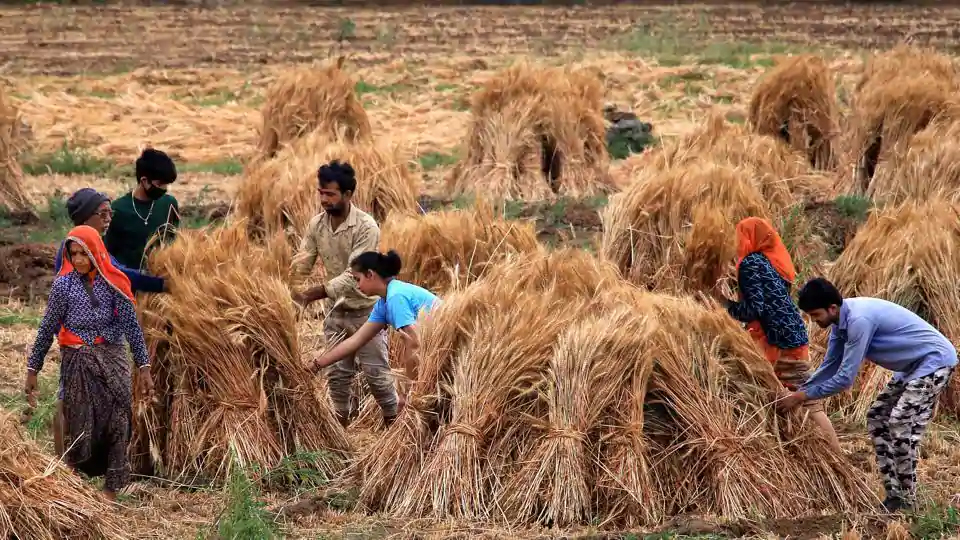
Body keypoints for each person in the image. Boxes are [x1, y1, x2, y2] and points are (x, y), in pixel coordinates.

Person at [787, 277, 957, 512]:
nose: (815, 322)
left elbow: (845, 379)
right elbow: (831, 365)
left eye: (816, 315)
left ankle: (908, 499)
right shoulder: (839, 324)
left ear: (832, 308)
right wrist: (803, 388)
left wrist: (803, 398)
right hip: (912, 367)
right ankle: (893, 495)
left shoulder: (859, 320)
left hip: (934, 361)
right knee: (877, 416)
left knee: (899, 422)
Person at [24, 225, 154, 501]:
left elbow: (131, 327)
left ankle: (111, 487)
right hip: (78, 362)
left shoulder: (114, 285)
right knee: (80, 421)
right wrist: (32, 369)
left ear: (96, 252)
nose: (80, 259)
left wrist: (144, 367)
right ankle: (74, 482)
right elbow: (48, 327)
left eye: (85, 253)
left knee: (119, 418)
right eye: (74, 254)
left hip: (112, 359)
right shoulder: (64, 286)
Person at [51, 187, 169, 457]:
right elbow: (119, 275)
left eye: (109, 213)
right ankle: (65, 459)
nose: (108, 219)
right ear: (84, 218)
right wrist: (161, 283)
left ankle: (88, 456)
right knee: (70, 396)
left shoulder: (95, 247)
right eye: (102, 214)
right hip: (80, 339)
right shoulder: (75, 249)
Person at [715, 217, 841, 452]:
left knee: (808, 404)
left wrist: (723, 304)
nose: (735, 242)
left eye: (739, 236)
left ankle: (836, 459)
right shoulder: (769, 262)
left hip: (779, 343)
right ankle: (799, 452)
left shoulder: (750, 264)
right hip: (793, 338)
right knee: (796, 400)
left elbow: (755, 309)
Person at [291, 160, 398, 428]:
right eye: (321, 193)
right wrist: (286, 287)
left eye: (330, 194)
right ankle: (340, 429)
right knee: (337, 375)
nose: (324, 200)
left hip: (366, 312)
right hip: (335, 310)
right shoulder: (317, 225)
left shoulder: (366, 226)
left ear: (348, 195)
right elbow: (302, 262)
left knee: (377, 375)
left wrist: (311, 294)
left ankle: (394, 424)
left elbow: (354, 276)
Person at [311, 250, 440, 401]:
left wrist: (409, 391)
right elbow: (355, 341)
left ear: (370, 275)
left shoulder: (396, 297)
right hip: (435, 353)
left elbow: (413, 342)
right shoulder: (384, 303)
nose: (357, 286)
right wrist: (317, 365)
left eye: (357, 279)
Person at [104, 148, 180, 271]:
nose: (165, 188)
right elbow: (108, 254)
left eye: (167, 184)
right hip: (127, 283)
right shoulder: (118, 210)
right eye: (160, 184)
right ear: (144, 181)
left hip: (160, 281)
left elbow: (174, 242)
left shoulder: (169, 204)